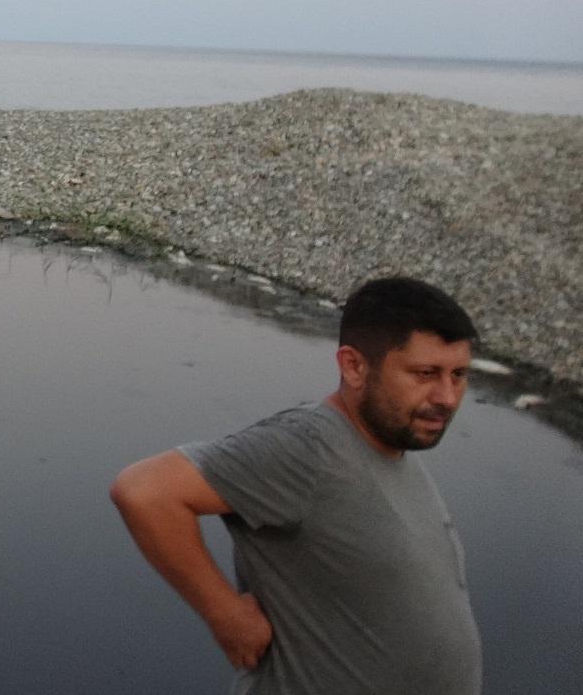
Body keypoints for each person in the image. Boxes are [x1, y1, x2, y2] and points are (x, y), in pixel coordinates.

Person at [110, 276, 483, 695]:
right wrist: (225, 613)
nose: (448, 397)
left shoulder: (393, 449)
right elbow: (145, 491)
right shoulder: (308, 449)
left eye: (459, 374)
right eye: (425, 373)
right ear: (354, 366)